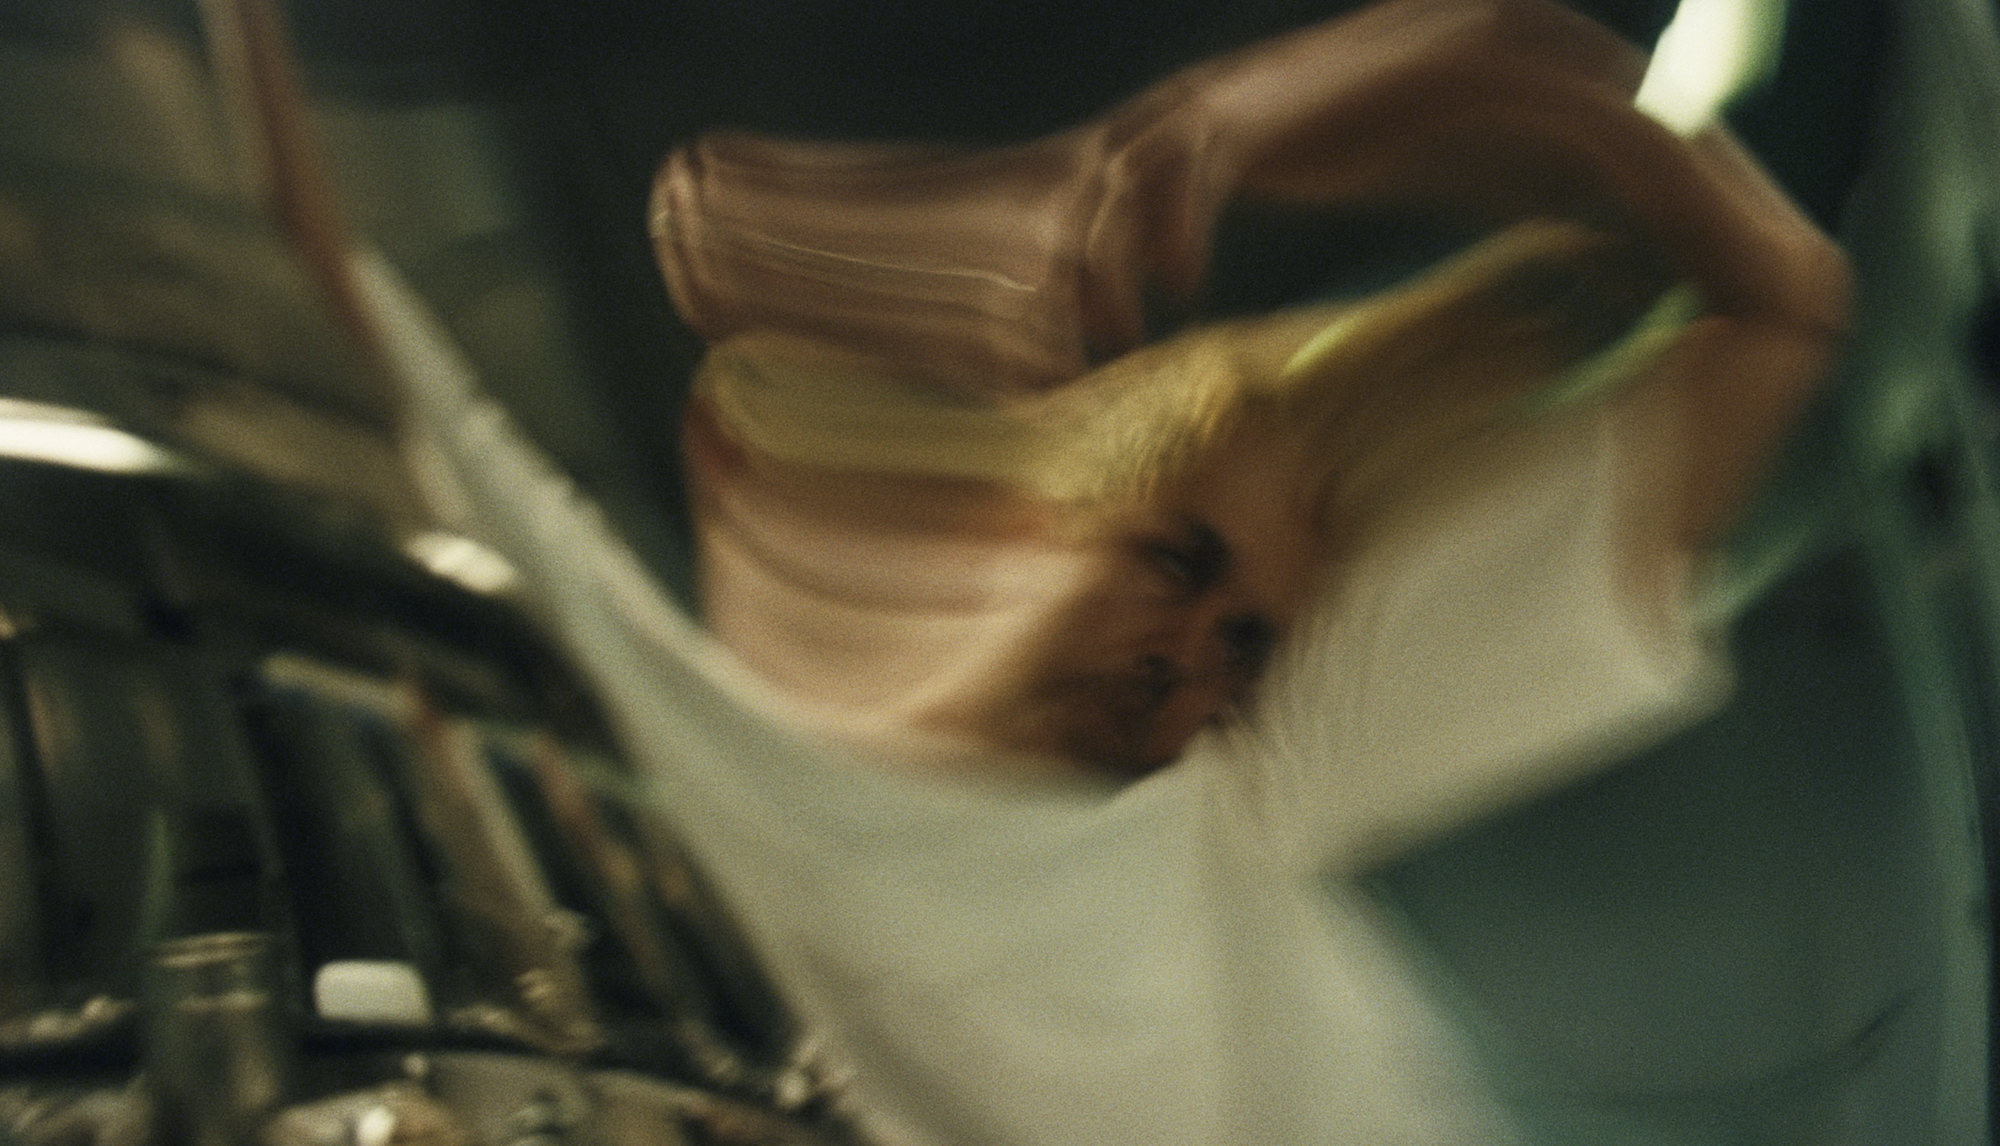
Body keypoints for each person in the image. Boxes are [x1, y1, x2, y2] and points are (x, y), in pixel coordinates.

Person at [392, 0, 1849, 1140]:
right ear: (1050, 509)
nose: (1189, 653)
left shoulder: (1234, 802)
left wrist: (1252, 118)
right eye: (1177, 561)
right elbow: (385, 362)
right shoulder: (697, 746)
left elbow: (1780, 311)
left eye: (1248, 647)